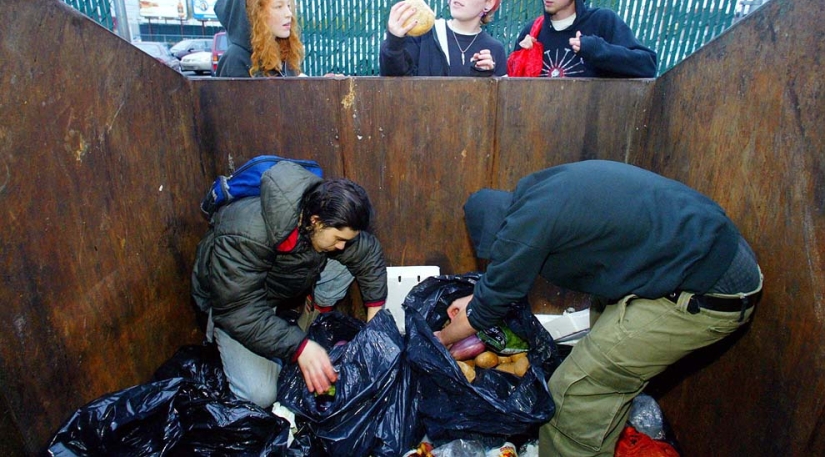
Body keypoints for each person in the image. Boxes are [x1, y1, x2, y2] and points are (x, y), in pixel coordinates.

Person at [435, 160, 763, 456]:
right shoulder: (536, 193)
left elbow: (485, 311)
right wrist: (484, 296)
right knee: (599, 327)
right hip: (705, 250)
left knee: (573, 395)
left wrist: (441, 339)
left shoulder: (526, 226)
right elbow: (497, 286)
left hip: (710, 288)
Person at [191, 161, 387, 408]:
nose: (341, 246)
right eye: (338, 238)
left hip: (275, 285)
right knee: (260, 394)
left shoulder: (316, 218)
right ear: (316, 221)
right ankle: (291, 346)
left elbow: (367, 252)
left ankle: (311, 323)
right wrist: (299, 348)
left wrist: (375, 323)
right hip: (236, 305)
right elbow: (237, 310)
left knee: (346, 262)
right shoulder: (246, 233)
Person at [508, 0, 657, 78]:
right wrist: (521, 58)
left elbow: (648, 65)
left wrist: (599, 50)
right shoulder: (533, 31)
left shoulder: (602, 22)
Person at [380, 0, 508, 77]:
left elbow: (499, 100)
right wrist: (394, 42)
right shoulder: (425, 34)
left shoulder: (495, 49)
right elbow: (394, 81)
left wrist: (486, 79)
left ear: (489, 2)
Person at [214, 0, 306, 77]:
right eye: (279, 7)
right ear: (255, 13)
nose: (289, 14)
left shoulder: (282, 53)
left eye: (288, 5)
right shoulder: (235, 59)